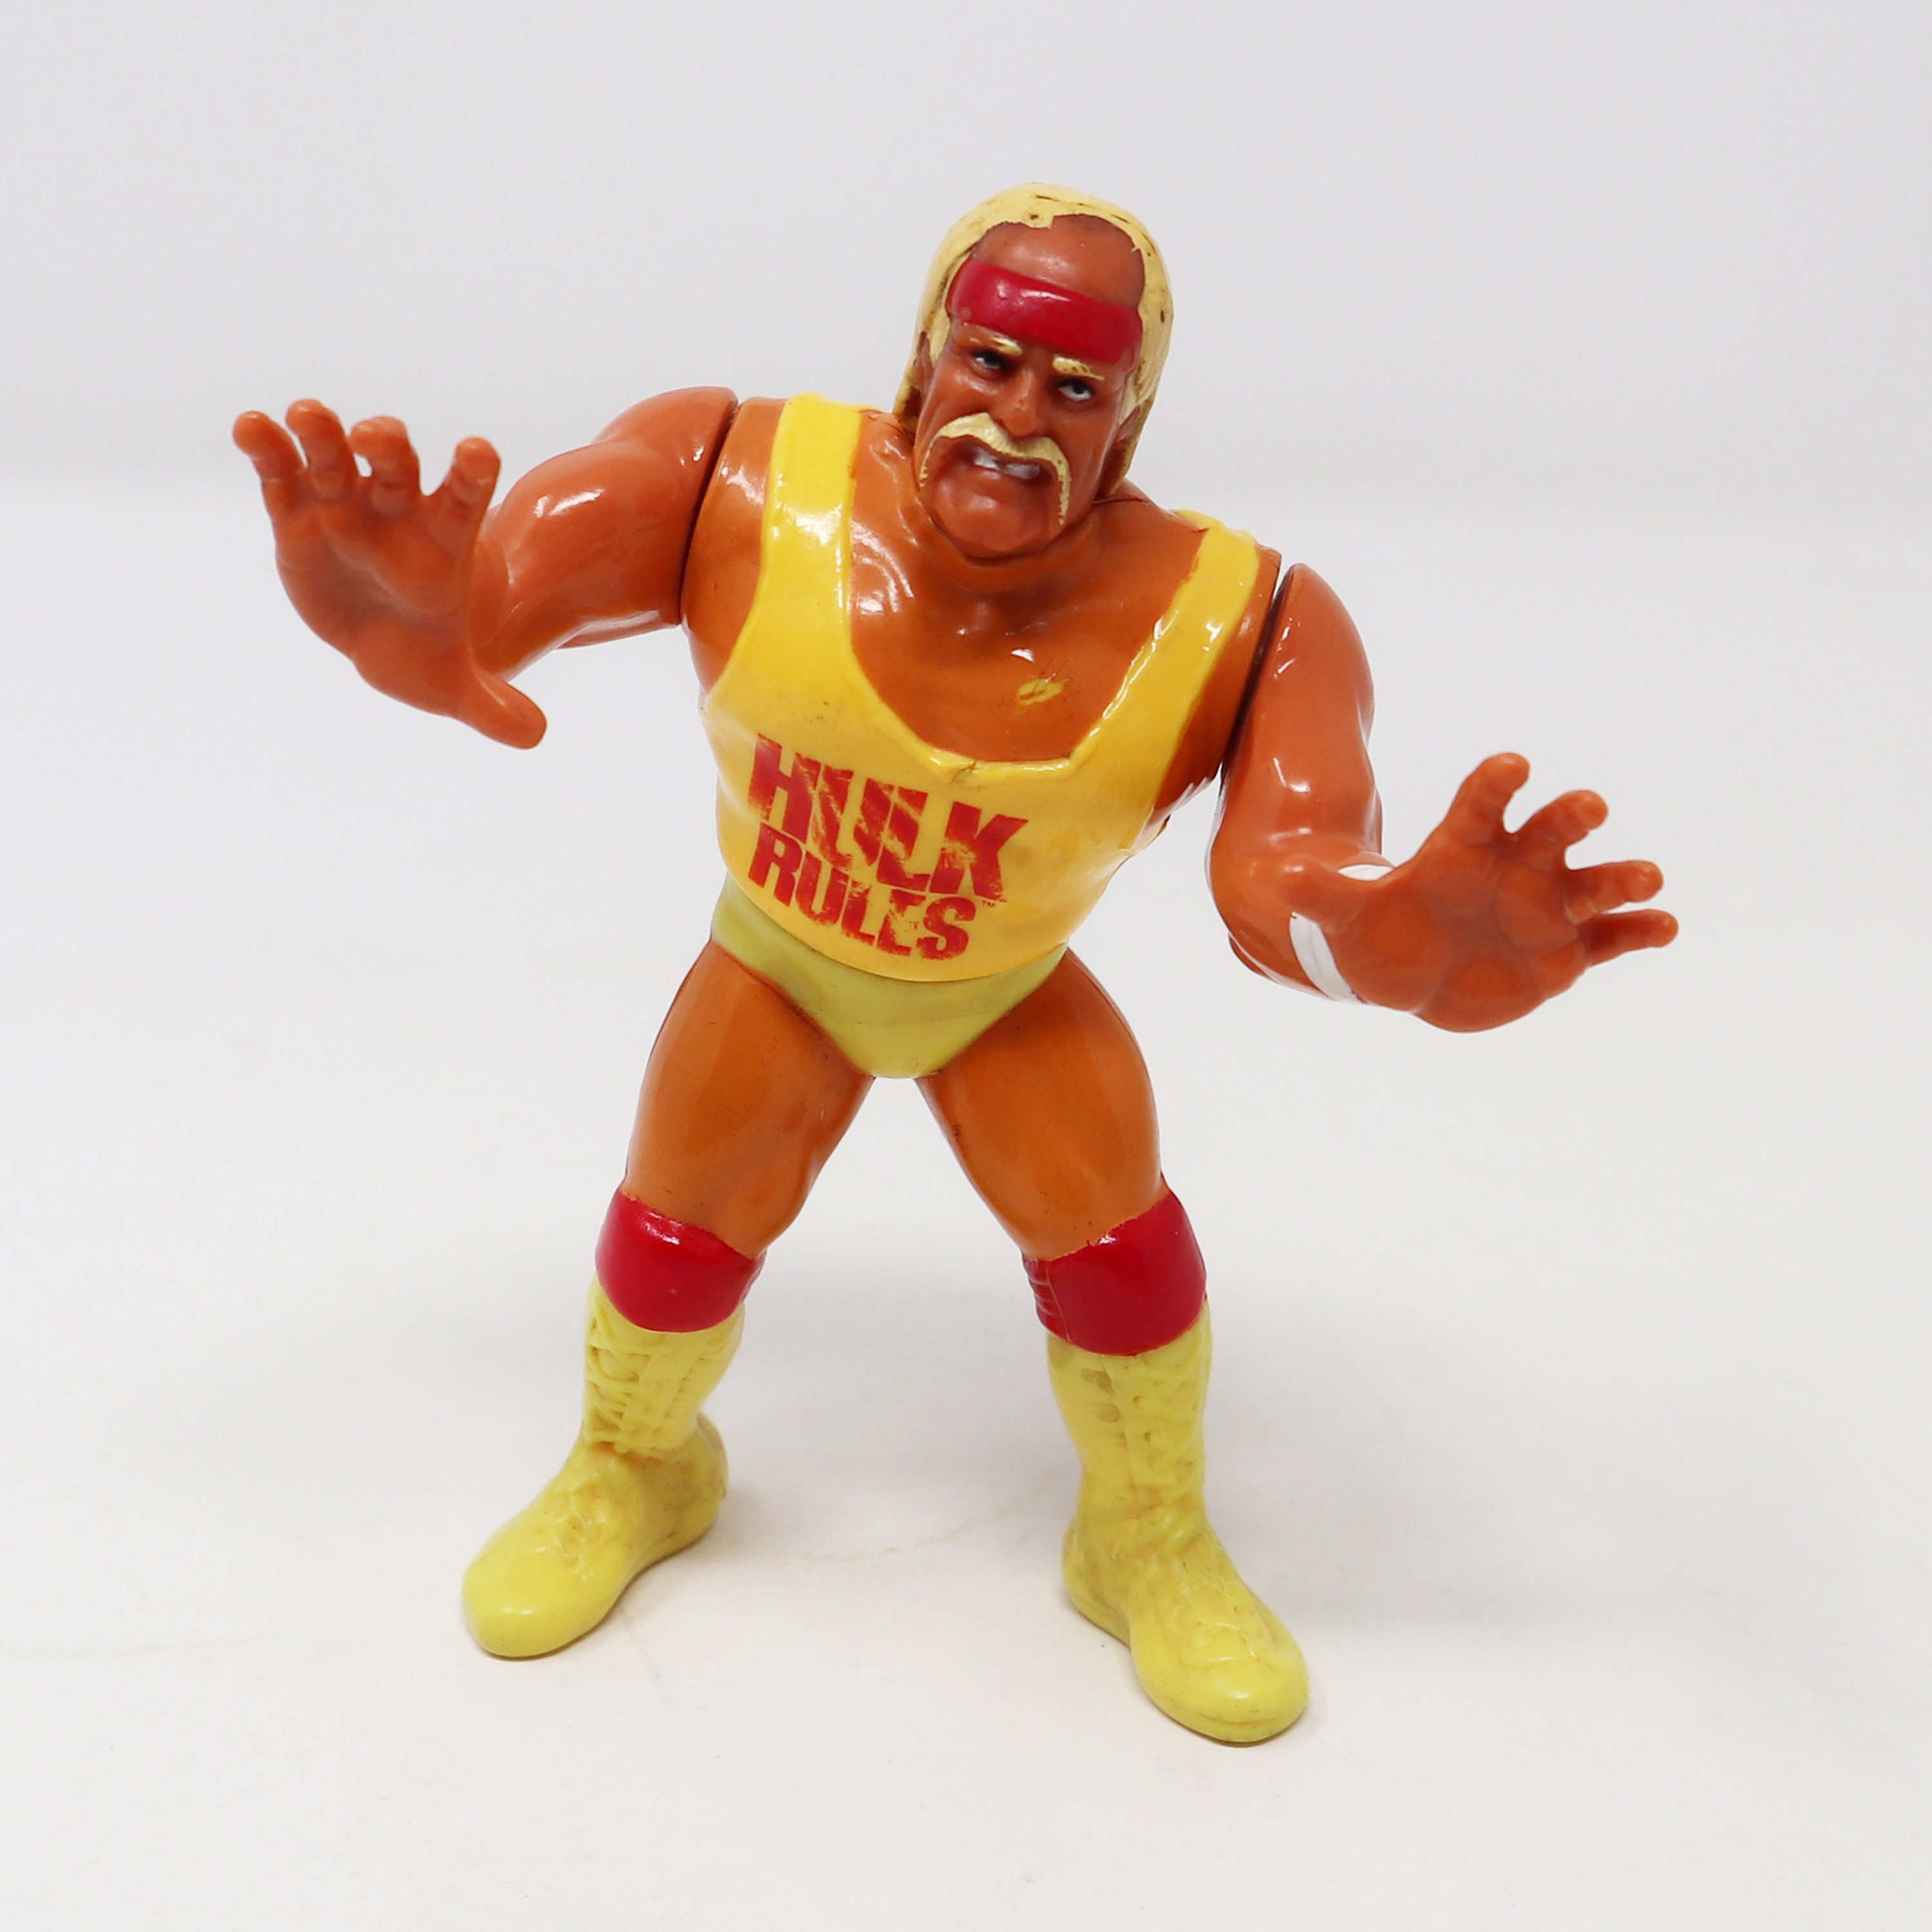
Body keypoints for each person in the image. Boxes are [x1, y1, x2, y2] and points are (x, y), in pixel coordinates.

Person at [234, 185, 1674, 1745]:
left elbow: (1287, 874)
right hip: (778, 963)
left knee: (1122, 1255)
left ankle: (1145, 1535)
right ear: (925, 360)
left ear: (1130, 421)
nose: (1019, 416)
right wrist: (434, 620)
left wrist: (1386, 939)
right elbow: (507, 598)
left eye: (1075, 386)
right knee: (673, 1232)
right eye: (992, 362)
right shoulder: (730, 475)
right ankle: (634, 1466)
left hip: (1004, 991)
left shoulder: (1244, 620)